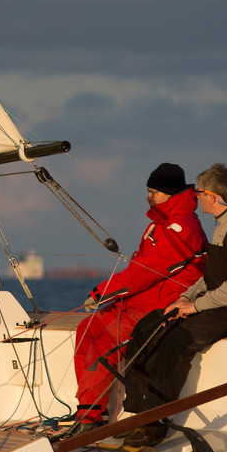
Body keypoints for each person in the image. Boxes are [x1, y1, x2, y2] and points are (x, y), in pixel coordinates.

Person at [113, 162, 227, 451]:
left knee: (178, 340)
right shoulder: (222, 224)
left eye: (199, 193)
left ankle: (154, 427)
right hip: (217, 303)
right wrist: (186, 298)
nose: (195, 197)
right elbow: (209, 277)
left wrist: (197, 308)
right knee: (148, 328)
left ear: (212, 197)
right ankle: (137, 413)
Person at [62, 163, 206, 434]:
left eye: (154, 192)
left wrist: (103, 291)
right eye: (148, 191)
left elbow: (146, 272)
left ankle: (89, 421)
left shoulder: (182, 228)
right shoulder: (159, 225)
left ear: (171, 194)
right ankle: (92, 411)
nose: (149, 197)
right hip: (138, 302)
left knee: (105, 342)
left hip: (159, 308)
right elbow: (139, 272)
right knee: (86, 329)